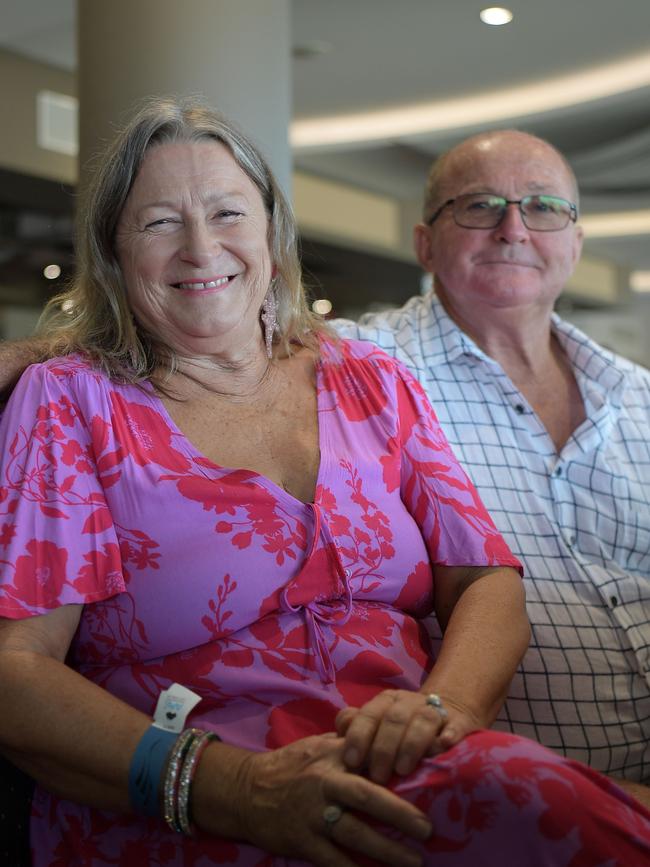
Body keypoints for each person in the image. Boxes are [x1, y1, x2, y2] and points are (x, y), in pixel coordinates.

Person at [0, 98, 648, 867]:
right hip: (197, 801)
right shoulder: (74, 400)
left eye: (227, 212)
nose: (202, 248)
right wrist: (235, 787)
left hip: (422, 767)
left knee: (522, 797)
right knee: (536, 805)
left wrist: (442, 712)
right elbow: (18, 672)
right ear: (112, 251)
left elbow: (484, 579)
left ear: (272, 237)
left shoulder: (369, 376)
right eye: (159, 222)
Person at [334, 128, 650, 808]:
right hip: (499, 802)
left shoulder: (638, 394)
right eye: (479, 205)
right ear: (425, 242)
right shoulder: (359, 364)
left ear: (576, 241)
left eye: (543, 206)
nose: (514, 228)